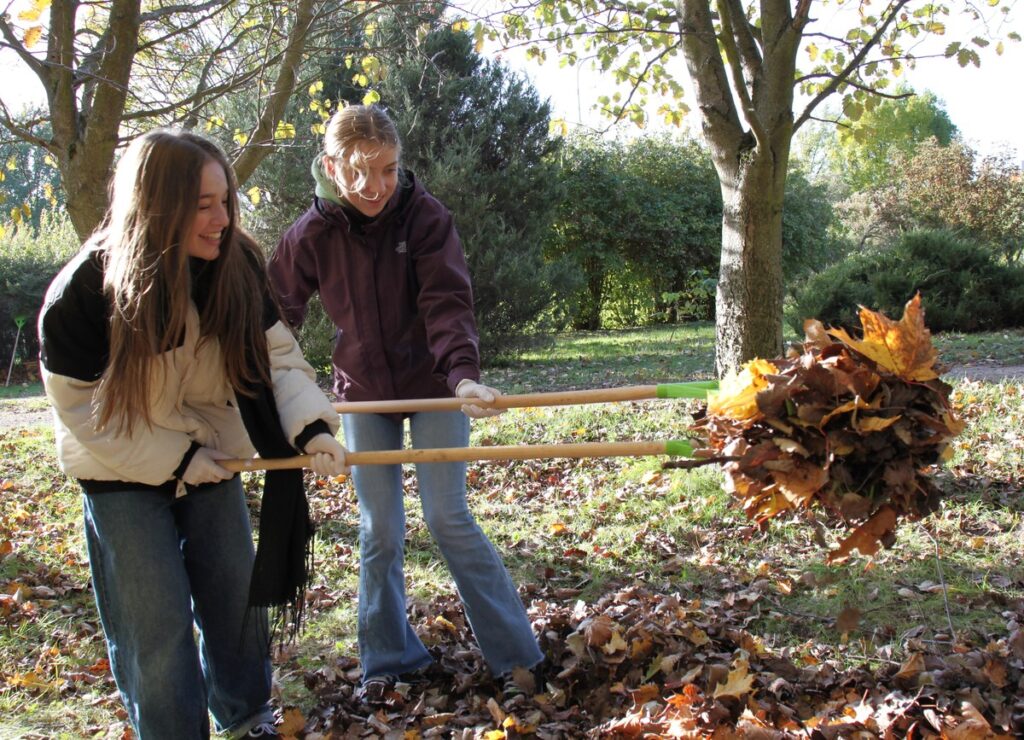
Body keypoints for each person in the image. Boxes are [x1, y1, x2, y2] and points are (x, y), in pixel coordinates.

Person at [38, 130, 349, 739]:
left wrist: (311, 427)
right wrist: (178, 458)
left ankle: (247, 715)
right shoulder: (84, 291)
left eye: (225, 200)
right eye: (203, 204)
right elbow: (82, 408)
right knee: (153, 623)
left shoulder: (235, 267)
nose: (222, 218)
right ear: (156, 204)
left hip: (214, 461)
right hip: (118, 471)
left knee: (235, 595)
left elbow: (278, 363)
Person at [267, 104, 543, 705]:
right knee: (380, 531)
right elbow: (276, 319)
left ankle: (519, 659)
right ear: (332, 168)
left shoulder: (424, 218)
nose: (375, 187)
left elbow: (447, 301)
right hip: (363, 397)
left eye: (387, 170)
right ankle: (388, 660)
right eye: (361, 173)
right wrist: (275, 393)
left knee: (448, 517)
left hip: (436, 385)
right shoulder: (310, 233)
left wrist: (463, 377)